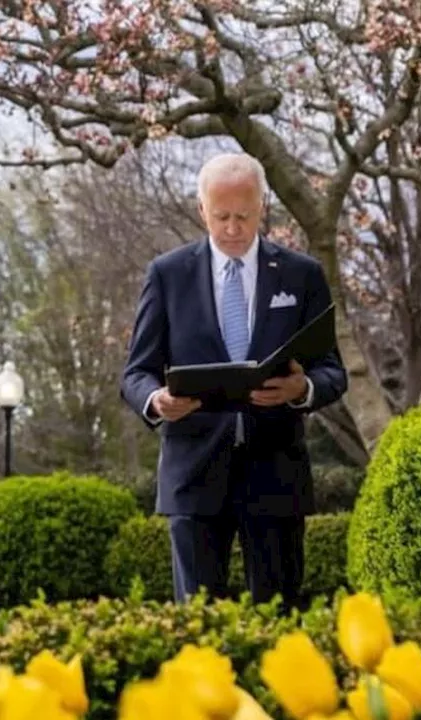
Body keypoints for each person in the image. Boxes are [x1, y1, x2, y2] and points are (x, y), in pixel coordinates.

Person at [120, 152, 347, 610]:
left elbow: (332, 371)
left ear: (262, 206)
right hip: (193, 474)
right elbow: (135, 374)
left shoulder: (302, 275)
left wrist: (302, 390)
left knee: (281, 623)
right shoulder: (167, 275)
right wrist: (157, 400)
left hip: (276, 475)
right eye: (221, 216)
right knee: (199, 626)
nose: (232, 227)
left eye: (243, 215)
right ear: (202, 209)